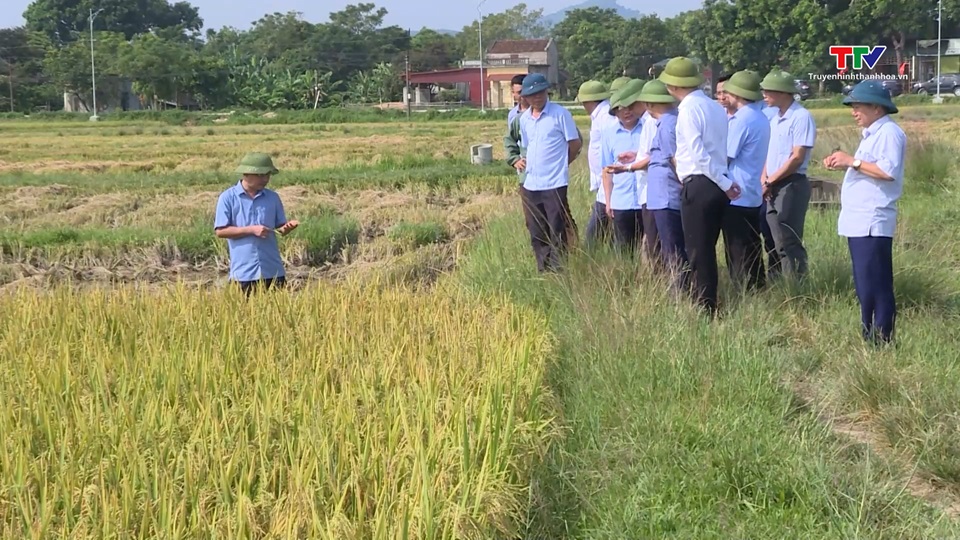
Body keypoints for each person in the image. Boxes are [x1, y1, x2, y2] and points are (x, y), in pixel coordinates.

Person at [823, 80, 906, 344]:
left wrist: (852, 161)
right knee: (864, 284)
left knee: (876, 283)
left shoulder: (890, 134)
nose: (853, 111)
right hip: (859, 219)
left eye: (858, 106)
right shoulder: (872, 134)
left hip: (873, 218)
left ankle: (882, 338)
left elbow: (888, 172)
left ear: (876, 107)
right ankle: (869, 334)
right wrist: (845, 164)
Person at [659, 57, 741, 315]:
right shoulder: (714, 107)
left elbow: (698, 153)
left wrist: (725, 182)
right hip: (717, 182)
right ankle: (709, 300)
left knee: (698, 249)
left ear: (673, 85)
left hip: (702, 182)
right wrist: (724, 182)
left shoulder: (688, 110)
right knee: (706, 246)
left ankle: (705, 306)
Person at [613, 79, 688, 288]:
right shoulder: (657, 122)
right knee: (660, 246)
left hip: (666, 194)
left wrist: (629, 167)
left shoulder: (665, 123)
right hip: (655, 193)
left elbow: (672, 159)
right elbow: (655, 153)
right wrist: (635, 157)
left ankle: (677, 290)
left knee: (669, 248)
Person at [517, 73, 583, 273]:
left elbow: (575, 143)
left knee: (557, 227)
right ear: (526, 97)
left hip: (554, 183)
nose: (538, 97)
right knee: (536, 229)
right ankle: (542, 269)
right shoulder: (524, 119)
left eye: (541, 92)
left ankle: (559, 268)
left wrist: (564, 163)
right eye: (533, 94)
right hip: (531, 184)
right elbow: (527, 147)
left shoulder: (560, 114)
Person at [214, 152, 299, 296]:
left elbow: (280, 227)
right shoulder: (227, 198)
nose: (265, 179)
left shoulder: (273, 198)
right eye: (260, 175)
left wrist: (286, 228)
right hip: (243, 274)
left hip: (272, 271)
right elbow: (221, 231)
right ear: (246, 174)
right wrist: (251, 230)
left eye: (267, 175)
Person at [760, 70, 816, 280]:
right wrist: (765, 179)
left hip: (790, 184)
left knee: (788, 239)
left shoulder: (801, 117)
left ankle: (797, 285)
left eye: (768, 90)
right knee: (775, 241)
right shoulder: (775, 119)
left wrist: (770, 180)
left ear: (782, 92)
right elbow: (770, 153)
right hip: (772, 184)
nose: (764, 94)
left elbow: (797, 157)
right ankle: (778, 285)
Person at [721, 70, 771, 290]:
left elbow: (726, 155)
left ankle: (744, 290)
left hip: (736, 192)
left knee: (737, 249)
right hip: (751, 191)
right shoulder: (761, 116)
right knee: (752, 247)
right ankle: (758, 288)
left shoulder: (742, 119)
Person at [599, 79, 645, 254]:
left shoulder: (647, 128)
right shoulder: (609, 134)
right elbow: (606, 170)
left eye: (629, 107)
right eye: (620, 109)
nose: (626, 112)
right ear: (615, 112)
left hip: (644, 199)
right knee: (623, 248)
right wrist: (609, 201)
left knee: (648, 247)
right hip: (621, 200)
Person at [577, 80, 617, 246]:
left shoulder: (606, 116)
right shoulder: (599, 116)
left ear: (589, 101)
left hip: (609, 182)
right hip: (604, 181)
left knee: (593, 237)